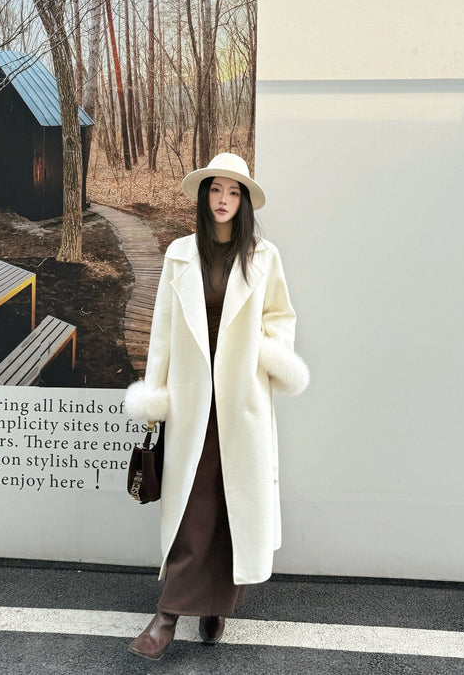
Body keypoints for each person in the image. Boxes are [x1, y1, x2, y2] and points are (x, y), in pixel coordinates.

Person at [125, 152, 310, 661]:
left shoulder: (263, 256)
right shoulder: (180, 254)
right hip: (191, 398)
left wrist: (261, 359)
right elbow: (162, 331)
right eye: (215, 189)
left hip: (240, 400)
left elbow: (280, 318)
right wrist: (156, 392)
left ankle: (214, 606)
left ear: (243, 200)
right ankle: (167, 615)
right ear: (204, 196)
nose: (223, 199)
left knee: (232, 504)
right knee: (192, 504)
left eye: (232, 191)